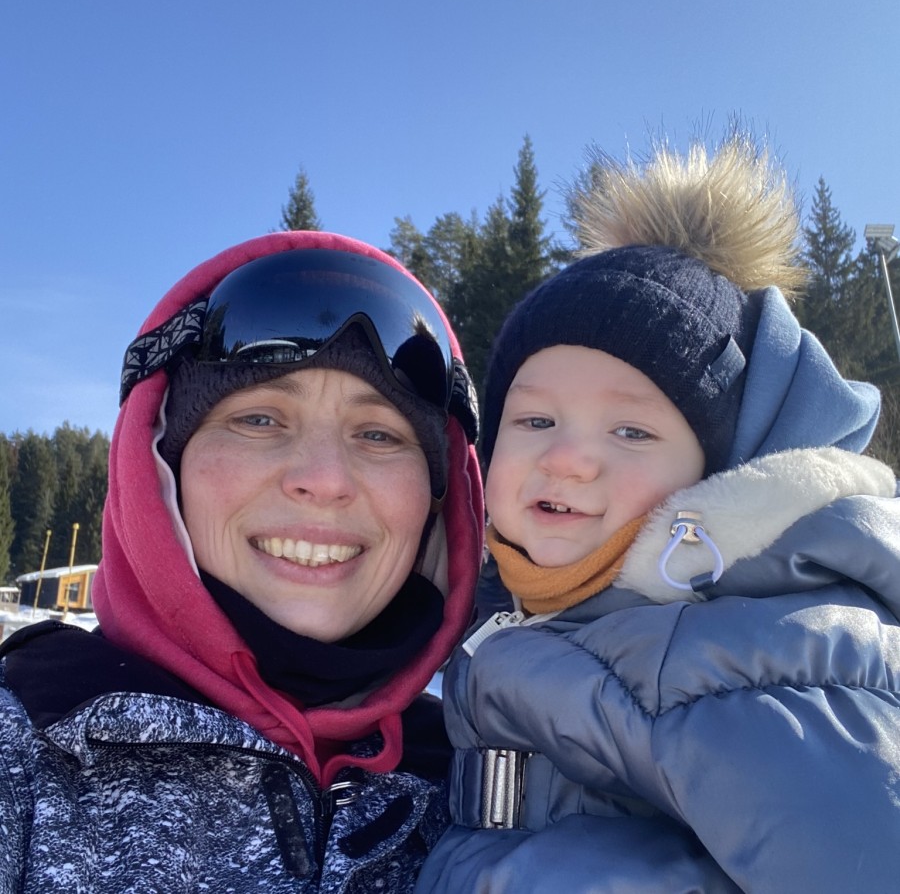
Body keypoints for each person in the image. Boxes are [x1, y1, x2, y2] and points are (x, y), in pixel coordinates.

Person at [416, 135, 900, 893]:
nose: (568, 459)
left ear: (717, 473)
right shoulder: (499, 624)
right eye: (536, 420)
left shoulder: (774, 648)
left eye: (632, 431)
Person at [0, 231, 484, 892]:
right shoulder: (29, 745)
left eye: (378, 434)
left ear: (438, 503)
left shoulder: (486, 782)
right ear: (160, 472)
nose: (324, 479)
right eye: (259, 420)